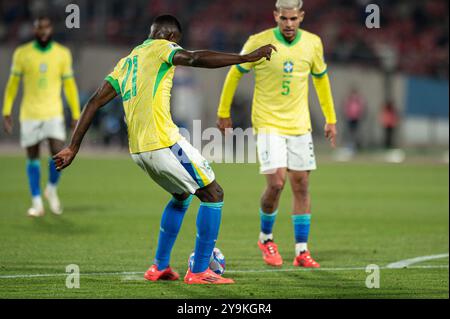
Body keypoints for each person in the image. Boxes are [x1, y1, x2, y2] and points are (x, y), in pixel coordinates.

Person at [53, 15, 275, 284]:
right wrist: (246, 58)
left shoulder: (127, 62)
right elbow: (193, 58)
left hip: (138, 151)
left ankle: (160, 266)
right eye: (177, 44)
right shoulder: (163, 48)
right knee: (214, 193)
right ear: (172, 38)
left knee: (182, 196)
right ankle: (201, 270)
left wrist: (72, 147)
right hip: (164, 142)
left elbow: (93, 102)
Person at [217, 0, 337, 268]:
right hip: (268, 123)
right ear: (276, 17)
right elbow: (235, 73)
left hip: (299, 125)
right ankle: (266, 238)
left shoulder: (313, 43)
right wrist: (224, 111)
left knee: (302, 185)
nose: (289, 24)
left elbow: (321, 79)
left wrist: (331, 118)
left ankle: (302, 251)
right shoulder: (257, 42)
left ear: (301, 17)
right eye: (284, 19)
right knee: (277, 183)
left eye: (294, 19)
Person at [2, 16, 80, 217]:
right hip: (30, 114)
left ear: (51, 29)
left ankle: (51, 189)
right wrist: (7, 110)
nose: (43, 31)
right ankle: (36, 202)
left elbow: (69, 85)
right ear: (34, 30)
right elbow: (12, 84)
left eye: (46, 27)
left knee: (59, 154)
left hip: (53, 113)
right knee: (33, 157)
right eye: (39, 28)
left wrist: (76, 112)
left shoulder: (62, 54)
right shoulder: (22, 53)